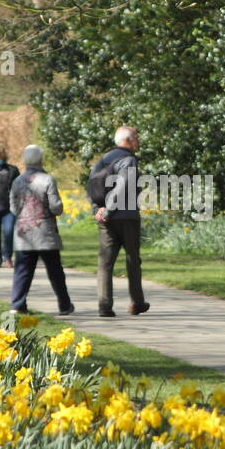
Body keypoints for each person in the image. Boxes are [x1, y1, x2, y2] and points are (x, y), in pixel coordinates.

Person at [88, 125, 149, 318]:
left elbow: (91, 185)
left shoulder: (103, 160)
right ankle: (137, 302)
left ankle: (104, 305)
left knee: (105, 262)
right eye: (137, 138)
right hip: (126, 217)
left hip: (105, 219)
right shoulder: (128, 160)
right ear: (128, 141)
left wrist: (97, 210)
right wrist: (110, 209)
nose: (139, 141)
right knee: (132, 259)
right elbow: (123, 185)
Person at [8, 145, 74, 315]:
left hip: (24, 233)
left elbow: (14, 208)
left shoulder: (17, 181)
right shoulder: (47, 180)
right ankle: (64, 304)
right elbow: (56, 207)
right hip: (45, 232)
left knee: (22, 271)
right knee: (55, 271)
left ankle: (17, 304)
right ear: (41, 159)